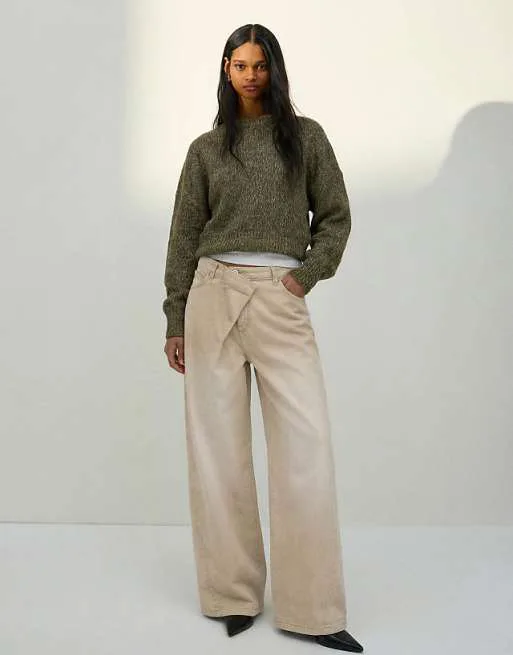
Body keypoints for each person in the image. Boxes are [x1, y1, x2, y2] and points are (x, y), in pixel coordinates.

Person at [162, 23, 364, 653]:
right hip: (212, 293)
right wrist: (175, 318)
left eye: (260, 64)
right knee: (218, 452)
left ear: (275, 68)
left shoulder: (306, 138)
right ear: (226, 70)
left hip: (280, 296)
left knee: (306, 448)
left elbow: (335, 217)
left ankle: (314, 610)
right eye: (239, 64)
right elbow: (183, 235)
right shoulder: (205, 149)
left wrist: (305, 276)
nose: (251, 75)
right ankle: (232, 596)